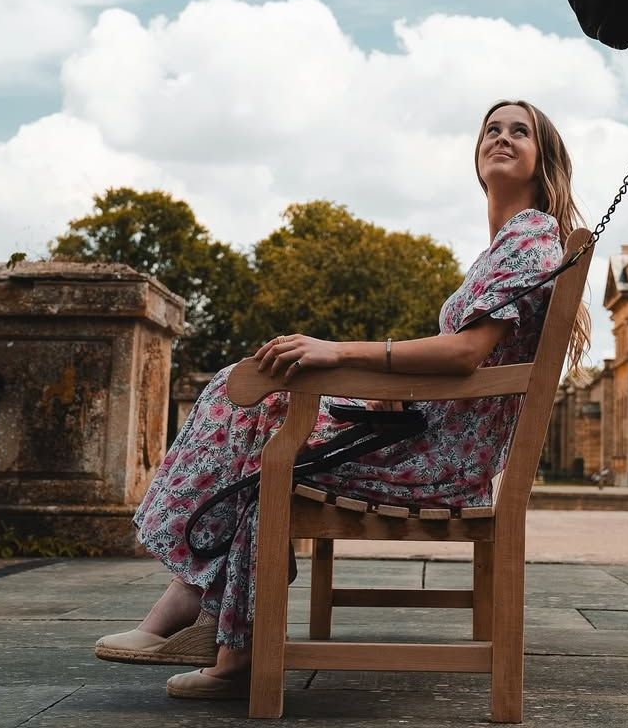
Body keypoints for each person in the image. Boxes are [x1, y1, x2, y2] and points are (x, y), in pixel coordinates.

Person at [94, 100, 590, 699]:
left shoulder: (530, 238)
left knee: (252, 405)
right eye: (492, 129)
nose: (503, 137)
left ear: (543, 160)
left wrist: (341, 353)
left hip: (441, 463)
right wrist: (397, 398)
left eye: (521, 131)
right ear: (477, 159)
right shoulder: (510, 244)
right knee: (257, 411)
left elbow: (464, 355)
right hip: (423, 436)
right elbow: (467, 366)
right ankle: (220, 625)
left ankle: (217, 630)